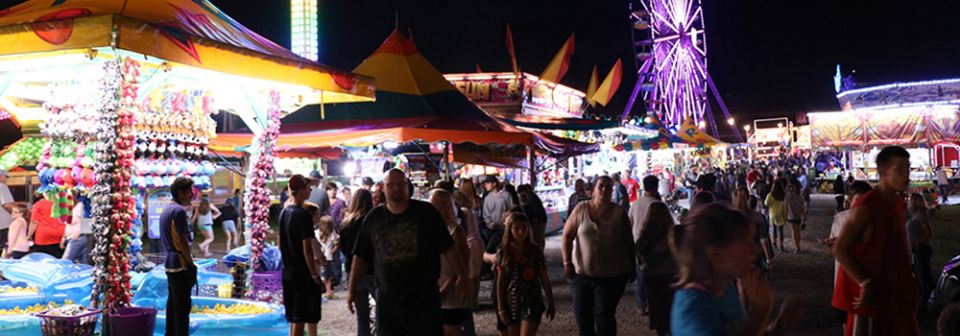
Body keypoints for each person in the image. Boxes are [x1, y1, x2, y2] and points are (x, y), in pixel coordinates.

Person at [347, 169, 467, 335]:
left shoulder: (427, 213)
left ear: (407, 186)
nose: (396, 188)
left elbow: (448, 247)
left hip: (423, 301)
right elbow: (360, 257)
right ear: (383, 188)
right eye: (391, 185)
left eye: (400, 184)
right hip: (388, 302)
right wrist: (352, 289)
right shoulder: (373, 218)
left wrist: (462, 275)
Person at [669, 203, 802, 335]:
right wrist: (760, 312)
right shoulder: (692, 309)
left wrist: (778, 328)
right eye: (745, 243)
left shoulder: (725, 288)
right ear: (717, 256)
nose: (754, 249)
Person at [833, 146, 920, 336]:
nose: (906, 175)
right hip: (870, 302)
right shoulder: (866, 206)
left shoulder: (897, 202)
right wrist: (865, 282)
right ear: (883, 172)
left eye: (908, 169)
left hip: (896, 296)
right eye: (899, 170)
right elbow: (840, 249)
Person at [561, 176, 635, 336]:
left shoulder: (619, 213)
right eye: (601, 186)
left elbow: (628, 241)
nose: (604, 190)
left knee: (603, 315)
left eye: (609, 187)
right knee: (581, 315)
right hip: (581, 275)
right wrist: (567, 262)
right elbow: (567, 235)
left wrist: (632, 265)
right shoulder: (581, 209)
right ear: (593, 189)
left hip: (611, 277)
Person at [278, 174, 324, 336]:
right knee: (300, 318)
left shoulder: (284, 213)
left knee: (293, 318)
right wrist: (313, 274)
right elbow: (307, 249)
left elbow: (280, 243)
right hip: (302, 274)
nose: (310, 190)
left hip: (288, 271)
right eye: (308, 187)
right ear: (302, 190)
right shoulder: (303, 215)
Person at [496, 212, 556, 336]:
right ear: (510, 229)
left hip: (532, 300)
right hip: (511, 301)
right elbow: (500, 282)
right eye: (516, 228)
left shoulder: (535, 251)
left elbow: (544, 278)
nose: (521, 232)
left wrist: (551, 301)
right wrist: (501, 309)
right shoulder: (504, 252)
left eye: (524, 228)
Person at [825, 181, 872, 330]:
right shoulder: (843, 218)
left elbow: (836, 251)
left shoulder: (844, 218)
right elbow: (837, 250)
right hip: (851, 280)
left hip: (858, 280)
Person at [430, 189, 473, 336]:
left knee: (451, 329)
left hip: (452, 289)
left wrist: (447, 287)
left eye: (434, 206)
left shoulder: (455, 230)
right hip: (437, 288)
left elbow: (463, 263)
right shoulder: (432, 229)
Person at [160, 177, 197, 336]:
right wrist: (190, 264)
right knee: (182, 309)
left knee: (172, 306)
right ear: (181, 193)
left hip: (169, 263)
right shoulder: (179, 211)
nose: (192, 195)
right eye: (189, 192)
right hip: (180, 264)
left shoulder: (167, 209)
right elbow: (182, 240)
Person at [635, 202, 678, 336]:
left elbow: (638, 251)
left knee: (657, 306)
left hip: (652, 274)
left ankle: (661, 331)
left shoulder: (646, 234)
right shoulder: (672, 231)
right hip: (671, 273)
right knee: (671, 306)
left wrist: (645, 263)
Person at [340, 189, 376, 336]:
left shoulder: (347, 224)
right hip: (374, 270)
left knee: (362, 316)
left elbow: (343, 249)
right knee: (383, 311)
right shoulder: (374, 220)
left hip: (353, 272)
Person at [628, 175, 661, 316]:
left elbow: (629, 221)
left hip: (638, 243)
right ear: (656, 187)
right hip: (655, 244)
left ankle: (641, 305)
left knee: (641, 276)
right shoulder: (658, 204)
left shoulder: (636, 204)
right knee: (656, 276)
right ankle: (654, 304)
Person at [453, 189, 485, 336]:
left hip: (471, 244)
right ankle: (474, 301)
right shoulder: (469, 209)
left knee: (472, 276)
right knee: (476, 275)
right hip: (477, 242)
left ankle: (471, 301)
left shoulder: (463, 211)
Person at [906, 193, 934, 310]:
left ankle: (927, 300)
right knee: (921, 275)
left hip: (921, 249)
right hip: (917, 249)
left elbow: (928, 232)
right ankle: (927, 298)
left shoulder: (920, 216)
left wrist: (917, 242)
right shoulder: (917, 215)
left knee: (923, 276)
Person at [28, 193, 65, 258]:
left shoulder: (38, 204)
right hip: (60, 235)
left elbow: (34, 222)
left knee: (43, 260)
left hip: (43, 236)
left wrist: (29, 235)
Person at [481, 175, 513, 244]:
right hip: (491, 229)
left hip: (505, 228)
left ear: (494, 184)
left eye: (487, 183)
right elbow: (486, 213)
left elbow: (511, 209)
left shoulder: (506, 195)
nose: (485, 185)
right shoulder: (487, 198)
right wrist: (489, 223)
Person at [62, 195, 92, 264]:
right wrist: (63, 237)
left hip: (77, 238)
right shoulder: (69, 208)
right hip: (72, 237)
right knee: (84, 263)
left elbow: (87, 219)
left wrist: (79, 233)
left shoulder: (80, 206)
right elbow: (67, 224)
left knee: (65, 261)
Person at [516, 184, 547, 249]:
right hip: (541, 219)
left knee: (537, 238)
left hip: (539, 221)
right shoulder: (532, 196)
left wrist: (534, 220)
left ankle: (539, 253)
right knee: (540, 238)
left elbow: (535, 210)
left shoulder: (530, 197)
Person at [316, 215, 339, 299]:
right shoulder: (332, 233)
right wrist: (332, 250)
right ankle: (328, 291)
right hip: (328, 257)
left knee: (322, 275)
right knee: (327, 276)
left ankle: (327, 291)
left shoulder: (316, 232)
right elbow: (337, 241)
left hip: (318, 257)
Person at [765, 180, 787, 251]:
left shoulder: (770, 195)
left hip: (773, 214)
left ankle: (774, 242)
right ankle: (781, 245)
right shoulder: (783, 194)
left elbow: (766, 203)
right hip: (781, 213)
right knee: (781, 230)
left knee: (774, 229)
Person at [784, 182, 805, 253]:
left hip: (791, 216)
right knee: (798, 231)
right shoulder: (799, 197)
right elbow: (802, 207)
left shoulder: (787, 198)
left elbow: (786, 208)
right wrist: (804, 215)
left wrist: (785, 216)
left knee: (793, 231)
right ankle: (798, 245)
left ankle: (796, 246)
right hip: (798, 215)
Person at [0, 170, 15, 251]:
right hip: (3, 226)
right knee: (5, 248)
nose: (6, 180)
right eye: (6, 177)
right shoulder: (2, 186)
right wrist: (19, 215)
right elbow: (7, 205)